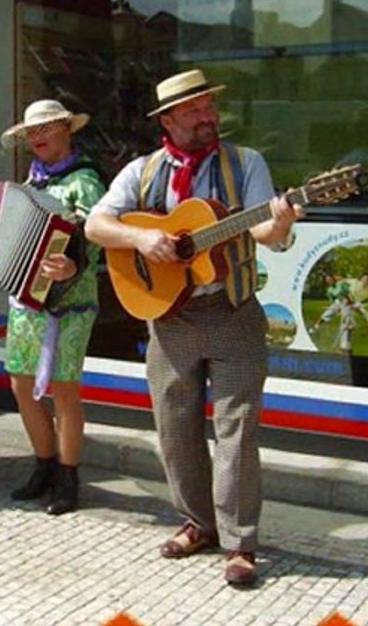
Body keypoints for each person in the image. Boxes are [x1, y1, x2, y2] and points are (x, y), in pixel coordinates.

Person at [84, 69, 302, 587]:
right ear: (168, 121)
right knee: (175, 427)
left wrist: (281, 222)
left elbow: (264, 230)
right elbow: (95, 224)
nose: (207, 117)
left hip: (232, 312)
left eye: (208, 107)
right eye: (193, 111)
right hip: (169, 317)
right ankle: (197, 523)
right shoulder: (141, 172)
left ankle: (240, 542)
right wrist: (142, 241)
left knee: (236, 431)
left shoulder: (246, 163)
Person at [0, 99, 106, 515]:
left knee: (63, 388)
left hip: (71, 303)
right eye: (31, 132)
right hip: (28, 300)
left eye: (45, 128)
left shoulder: (86, 181)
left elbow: (97, 235)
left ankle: (67, 476)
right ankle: (43, 465)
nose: (37, 137)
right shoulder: (32, 179)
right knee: (20, 383)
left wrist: (74, 264)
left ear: (66, 129)